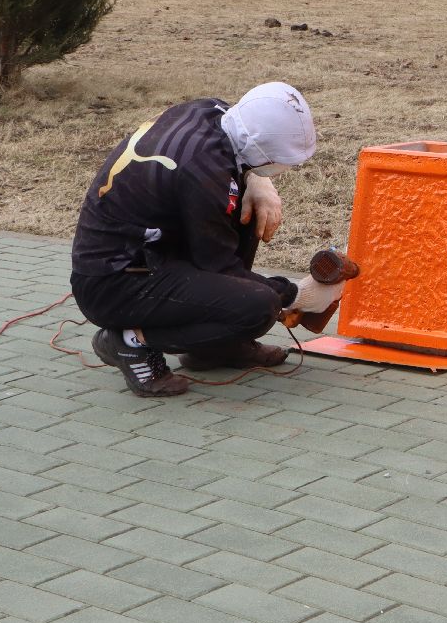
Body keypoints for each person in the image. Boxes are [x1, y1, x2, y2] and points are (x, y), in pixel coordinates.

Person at [70, 82, 343, 396]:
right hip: (115, 284)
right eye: (280, 163)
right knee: (256, 306)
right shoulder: (202, 174)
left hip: (145, 252)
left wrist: (256, 179)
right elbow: (219, 267)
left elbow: (238, 156)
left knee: (246, 203)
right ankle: (131, 341)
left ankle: (218, 348)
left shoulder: (210, 110)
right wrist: (298, 294)